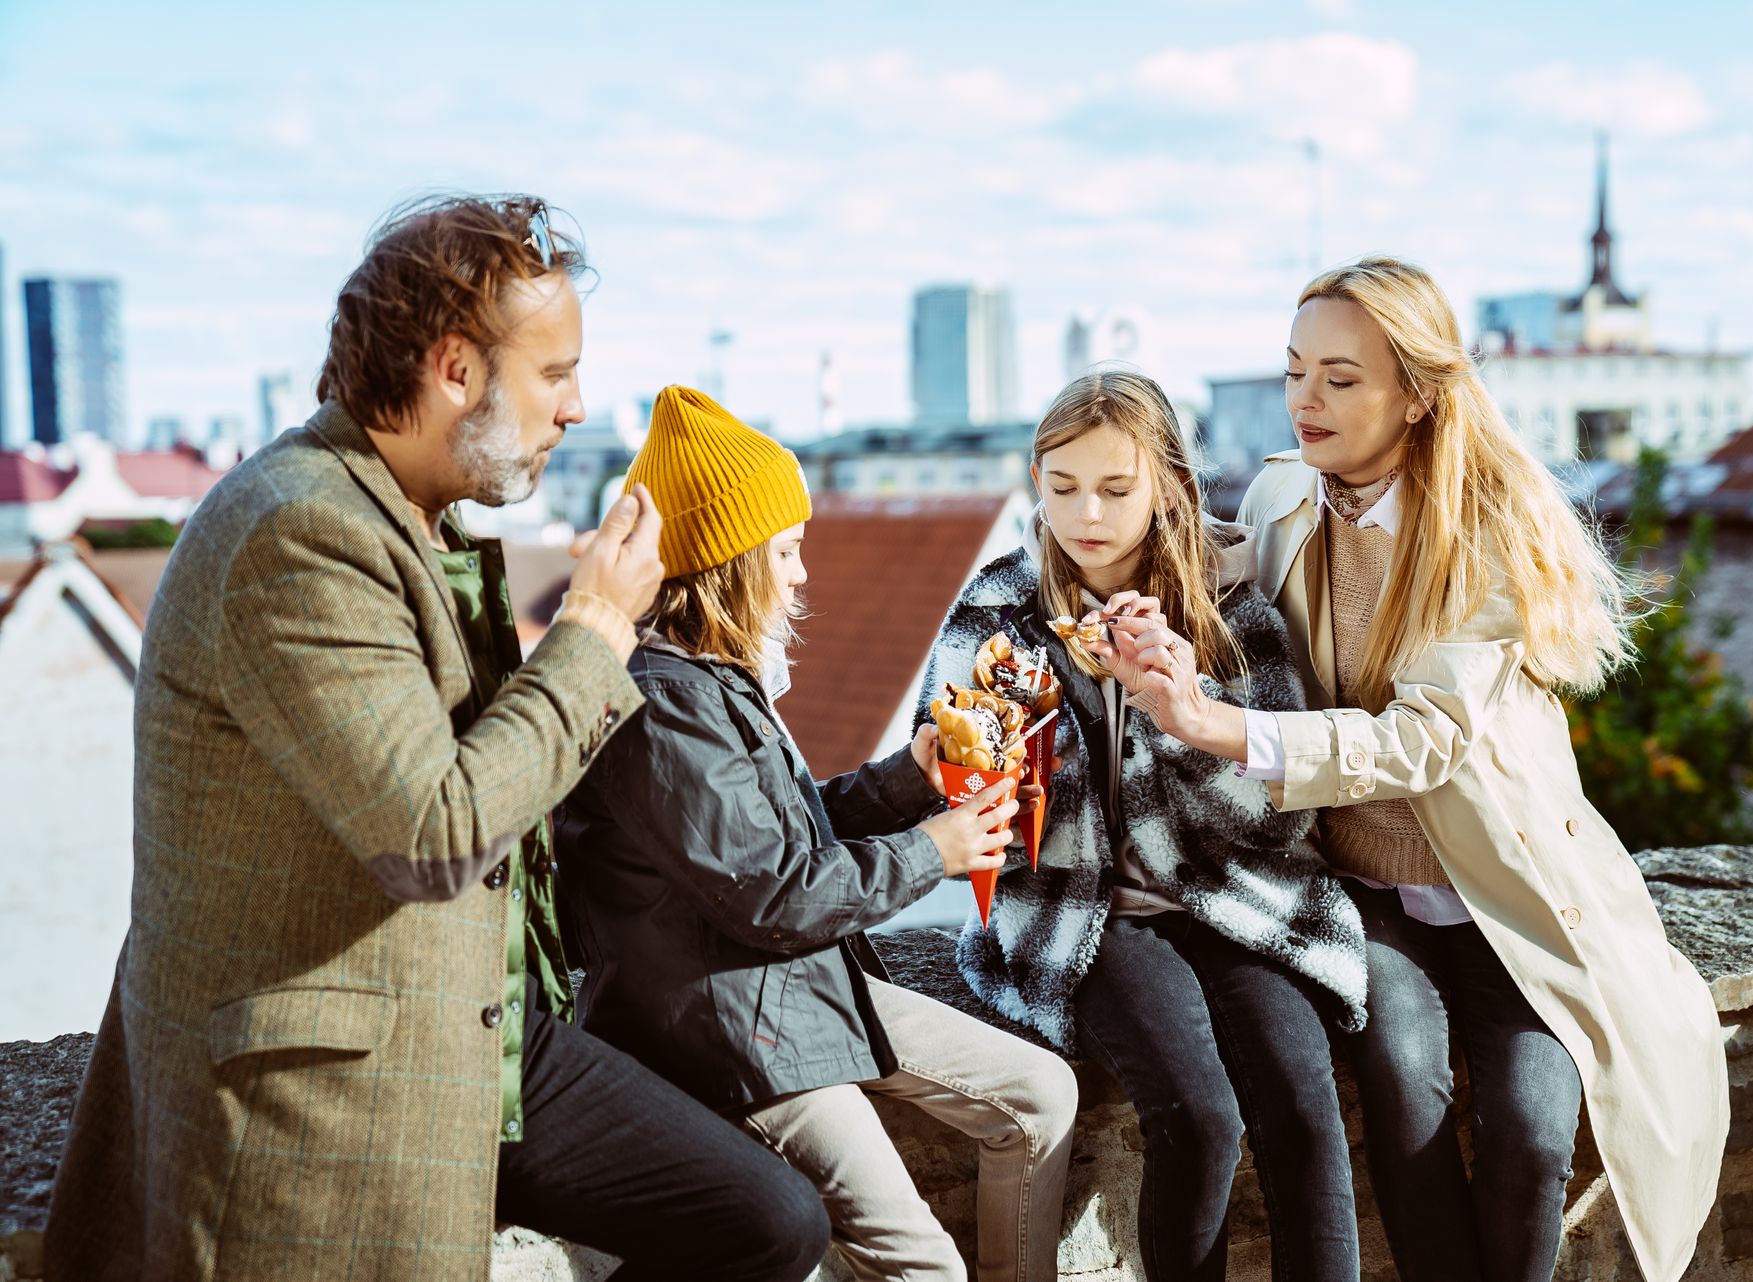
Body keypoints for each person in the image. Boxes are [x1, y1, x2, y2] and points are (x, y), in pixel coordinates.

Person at [45, 197, 829, 1282]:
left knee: (769, 1219)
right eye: (554, 374)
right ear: (456, 368)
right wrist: (598, 625)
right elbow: (433, 830)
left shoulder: (421, 520)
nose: (578, 406)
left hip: (493, 1033)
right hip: (332, 1079)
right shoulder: (299, 529)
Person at [1097, 257, 1729, 1282]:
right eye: (1296, 369)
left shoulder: (1491, 529)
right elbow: (1202, 577)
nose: (1306, 398)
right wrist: (1115, 567)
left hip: (1506, 893)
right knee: (1403, 1083)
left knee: (1530, 1131)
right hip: (1365, 886)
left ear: (1419, 392)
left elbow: (1419, 740)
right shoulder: (1280, 497)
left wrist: (1218, 728)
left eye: (1341, 378)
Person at [559, 385, 1080, 1282]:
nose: (802, 575)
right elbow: (774, 894)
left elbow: (780, 840)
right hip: (735, 1023)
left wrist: (904, 783)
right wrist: (937, 852)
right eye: (788, 552)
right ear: (731, 563)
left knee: (1042, 1096)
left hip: (793, 987)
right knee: (921, 1267)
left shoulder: (711, 676)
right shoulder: (666, 701)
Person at [916, 370, 1370, 1282]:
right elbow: (974, 825)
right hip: (1081, 912)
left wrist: (1180, 714)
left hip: (1233, 889)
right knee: (1199, 1116)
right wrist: (992, 753)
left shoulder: (1228, 604)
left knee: (1303, 1099)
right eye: (1062, 486)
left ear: (1166, 485)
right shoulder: (997, 614)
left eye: (1117, 489)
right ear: (1034, 480)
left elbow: (1275, 819)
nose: (1086, 514)